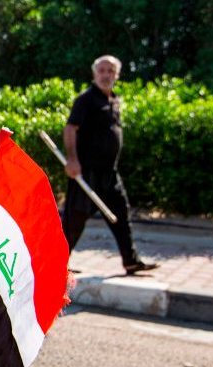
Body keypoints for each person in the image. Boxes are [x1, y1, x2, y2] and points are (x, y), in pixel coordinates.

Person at [63, 54, 158, 275]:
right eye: (102, 70)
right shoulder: (86, 100)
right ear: (95, 74)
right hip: (86, 172)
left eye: (110, 71)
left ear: (117, 74)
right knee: (74, 220)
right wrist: (72, 159)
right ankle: (56, 264)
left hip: (109, 173)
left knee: (121, 215)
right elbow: (70, 129)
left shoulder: (114, 100)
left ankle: (131, 261)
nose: (106, 75)